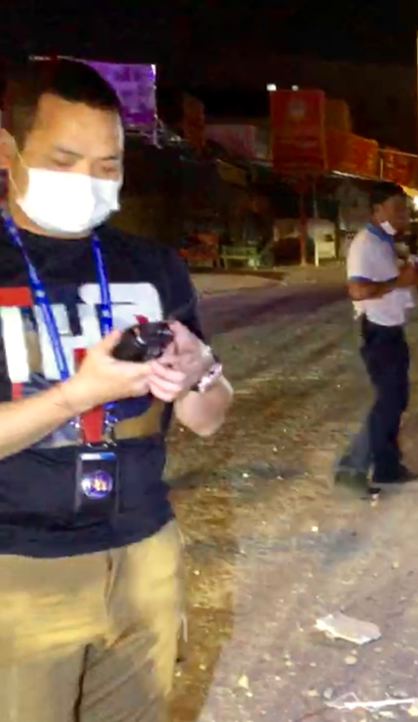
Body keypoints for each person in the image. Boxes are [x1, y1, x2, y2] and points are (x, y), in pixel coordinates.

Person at [0, 58, 233, 721]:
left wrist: (199, 371)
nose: (88, 181)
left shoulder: (152, 266)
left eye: (108, 166)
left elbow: (210, 417)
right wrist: (75, 395)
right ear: (8, 150)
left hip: (143, 555)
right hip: (21, 570)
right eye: (64, 160)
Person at [335, 182, 418, 494]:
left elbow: (396, 282)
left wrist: (411, 277)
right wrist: (399, 281)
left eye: (405, 209)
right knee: (387, 402)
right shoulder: (365, 244)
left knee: (397, 400)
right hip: (376, 330)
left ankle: (387, 468)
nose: (403, 215)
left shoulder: (386, 243)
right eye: (396, 208)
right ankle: (352, 468)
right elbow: (357, 290)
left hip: (392, 328)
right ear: (377, 210)